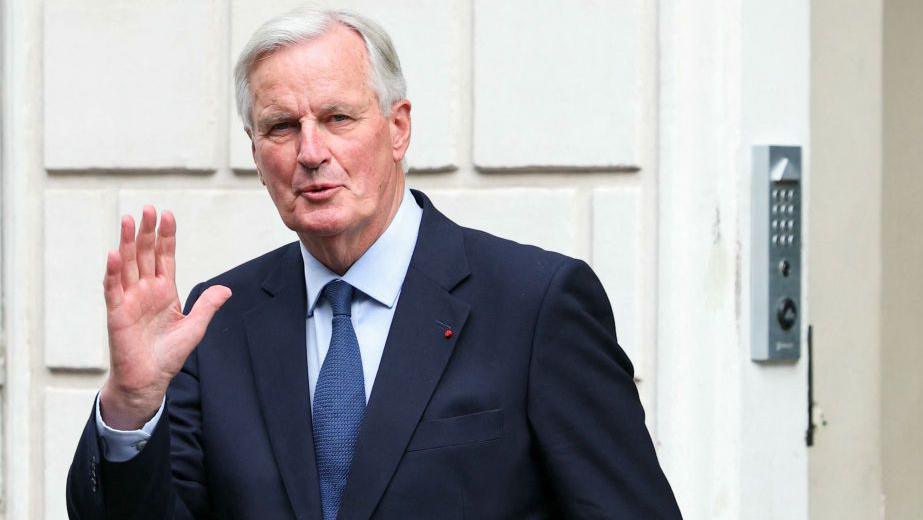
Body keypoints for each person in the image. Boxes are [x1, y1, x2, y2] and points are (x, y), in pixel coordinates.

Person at [66, 6, 681, 519]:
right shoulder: (217, 319)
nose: (311, 152)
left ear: (397, 128)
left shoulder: (535, 305)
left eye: (338, 118)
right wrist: (131, 405)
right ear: (256, 154)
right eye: (281, 127)